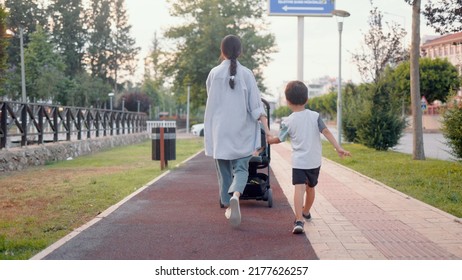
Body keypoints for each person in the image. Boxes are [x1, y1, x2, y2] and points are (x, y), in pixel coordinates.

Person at [267, 80, 351, 234]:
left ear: (287, 101)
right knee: (311, 189)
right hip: (314, 161)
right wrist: (338, 147)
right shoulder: (315, 116)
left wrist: (269, 140)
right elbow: (326, 132)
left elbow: (280, 138)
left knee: (299, 190)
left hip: (299, 162)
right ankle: (306, 211)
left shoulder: (288, 121)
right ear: (306, 99)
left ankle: (299, 220)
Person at [204, 35, 270, 227]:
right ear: (239, 52)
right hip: (242, 132)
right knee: (241, 169)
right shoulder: (247, 74)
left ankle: (227, 203)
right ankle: (236, 195)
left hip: (220, 132)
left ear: (222, 51)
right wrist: (267, 129)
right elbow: (256, 107)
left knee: (223, 172)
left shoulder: (214, 74)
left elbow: (213, 101)